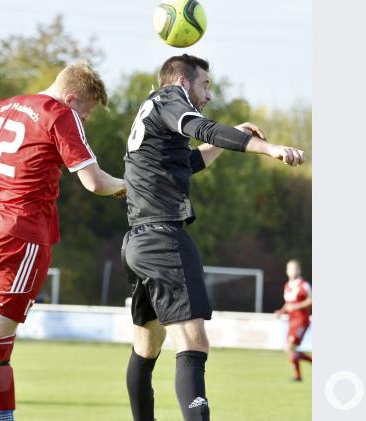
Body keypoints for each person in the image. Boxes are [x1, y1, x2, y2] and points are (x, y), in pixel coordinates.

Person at [122, 54, 306, 421]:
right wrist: (268, 149)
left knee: (146, 347)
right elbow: (203, 128)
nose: (208, 95)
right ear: (181, 83)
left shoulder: (152, 111)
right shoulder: (170, 100)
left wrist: (234, 135)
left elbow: (188, 163)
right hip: (163, 239)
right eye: (205, 85)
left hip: (138, 241)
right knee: (193, 344)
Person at [0, 62, 126, 421]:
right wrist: (133, 185)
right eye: (87, 111)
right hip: (21, 239)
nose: (85, 120)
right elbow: (95, 183)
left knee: (0, 345)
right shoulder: (60, 113)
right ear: (71, 97)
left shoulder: (1, 107)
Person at [274, 259, 313, 382]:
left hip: (301, 320)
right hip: (292, 321)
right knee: (290, 349)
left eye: (295, 269)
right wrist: (281, 311)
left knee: (290, 346)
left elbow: (311, 300)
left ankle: (299, 375)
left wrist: (296, 306)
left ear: (299, 270)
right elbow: (288, 303)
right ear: (287, 271)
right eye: (290, 269)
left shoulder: (304, 284)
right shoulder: (287, 286)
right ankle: (298, 376)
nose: (292, 271)